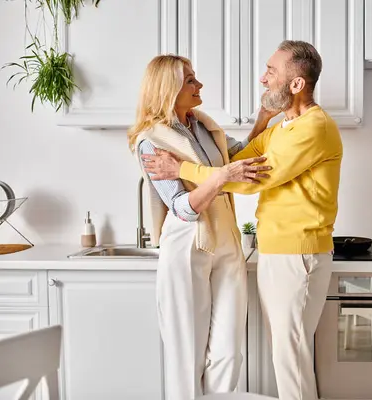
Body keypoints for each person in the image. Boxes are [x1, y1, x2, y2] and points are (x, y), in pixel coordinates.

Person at [142, 40, 343, 400]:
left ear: (296, 85)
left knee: (289, 356)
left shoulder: (312, 127)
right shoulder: (283, 128)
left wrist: (181, 168)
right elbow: (233, 165)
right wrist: (262, 123)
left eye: (272, 71)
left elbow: (247, 180)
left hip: (297, 252)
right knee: (285, 353)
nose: (263, 79)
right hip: (276, 251)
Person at [127, 54, 272, 400]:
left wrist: (264, 117)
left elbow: (237, 157)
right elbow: (180, 207)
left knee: (228, 351)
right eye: (190, 79)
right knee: (186, 354)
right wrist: (222, 177)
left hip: (225, 239)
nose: (199, 84)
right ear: (168, 88)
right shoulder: (152, 142)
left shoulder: (204, 126)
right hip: (186, 243)